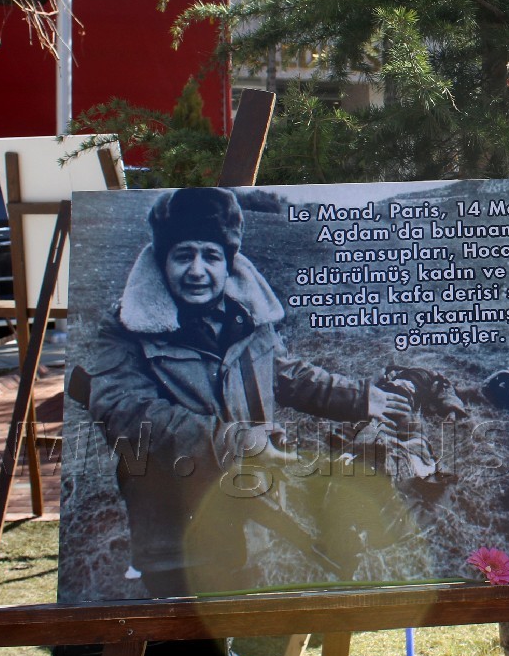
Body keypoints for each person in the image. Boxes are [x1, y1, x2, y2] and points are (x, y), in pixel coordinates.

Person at [86, 186, 414, 597]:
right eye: (183, 255)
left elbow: (283, 372)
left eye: (211, 256)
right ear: (161, 259)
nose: (197, 271)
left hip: (249, 512)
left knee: (239, 603)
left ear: (228, 262)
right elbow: (122, 410)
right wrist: (233, 441)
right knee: (186, 634)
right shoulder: (124, 329)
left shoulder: (248, 318)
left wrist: (359, 397)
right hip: (176, 527)